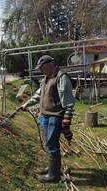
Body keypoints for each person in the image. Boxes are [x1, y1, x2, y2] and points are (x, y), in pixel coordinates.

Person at [21, 55, 75, 183]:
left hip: (55, 116)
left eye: (42, 67)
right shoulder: (46, 78)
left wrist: (66, 120)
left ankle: (53, 176)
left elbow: (68, 102)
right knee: (50, 143)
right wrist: (26, 104)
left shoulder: (61, 77)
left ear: (50, 65)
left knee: (52, 144)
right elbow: (38, 96)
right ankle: (51, 168)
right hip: (45, 116)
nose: (40, 70)